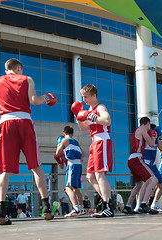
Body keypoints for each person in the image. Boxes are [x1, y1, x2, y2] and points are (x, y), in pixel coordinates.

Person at [0, 58, 55, 225]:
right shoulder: (27, 79)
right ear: (18, 68)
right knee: (35, 165)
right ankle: (47, 207)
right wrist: (47, 98)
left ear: (7, 69)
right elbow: (34, 100)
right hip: (24, 121)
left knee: (4, 170)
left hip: (5, 122)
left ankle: (1, 210)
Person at [71, 84, 114, 218]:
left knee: (100, 174)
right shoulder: (89, 110)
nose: (84, 99)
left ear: (94, 95)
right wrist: (78, 115)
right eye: (83, 97)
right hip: (94, 142)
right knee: (90, 176)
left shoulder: (100, 107)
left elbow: (107, 120)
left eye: (86, 97)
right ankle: (107, 202)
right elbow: (83, 127)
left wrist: (90, 116)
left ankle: (107, 206)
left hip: (102, 140)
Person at [122, 117, 158, 215]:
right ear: (148, 124)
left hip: (132, 159)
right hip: (137, 158)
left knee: (138, 185)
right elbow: (151, 144)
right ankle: (143, 205)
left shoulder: (137, 131)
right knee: (154, 180)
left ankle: (127, 207)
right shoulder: (143, 129)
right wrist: (154, 136)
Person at [136, 124, 162, 212]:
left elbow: (161, 149)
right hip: (145, 164)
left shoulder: (156, 139)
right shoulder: (144, 138)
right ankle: (138, 206)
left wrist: (159, 137)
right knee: (144, 185)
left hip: (153, 165)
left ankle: (154, 204)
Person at [55, 126, 85, 217]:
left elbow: (57, 153)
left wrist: (60, 146)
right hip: (78, 164)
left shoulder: (64, 140)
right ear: (72, 133)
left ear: (64, 133)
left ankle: (76, 209)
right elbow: (83, 154)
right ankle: (81, 208)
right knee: (76, 188)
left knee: (68, 188)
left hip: (71, 164)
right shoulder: (76, 142)